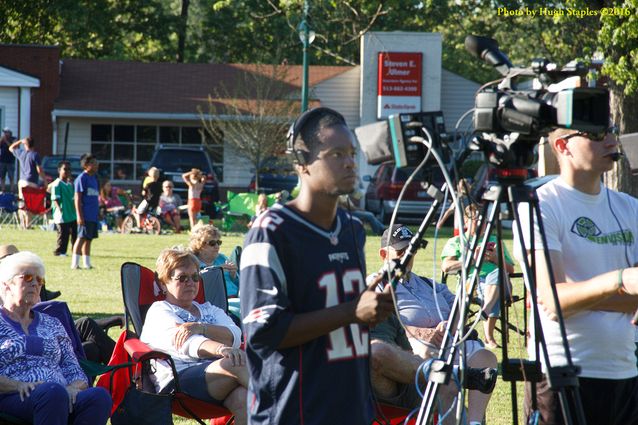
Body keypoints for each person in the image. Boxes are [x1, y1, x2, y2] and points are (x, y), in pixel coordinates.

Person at [240, 107, 394, 424]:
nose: (350, 162)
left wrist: (373, 305)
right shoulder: (271, 230)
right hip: (293, 410)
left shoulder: (351, 228)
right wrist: (352, 311)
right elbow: (264, 332)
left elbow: (343, 314)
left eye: (352, 153)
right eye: (336, 154)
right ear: (302, 163)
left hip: (350, 406)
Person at [515, 124, 638, 425]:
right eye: (596, 135)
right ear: (562, 147)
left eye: (610, 131)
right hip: (560, 378)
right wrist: (619, 281)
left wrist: (583, 295)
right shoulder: (540, 204)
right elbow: (553, 301)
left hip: (626, 373)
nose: (610, 140)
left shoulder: (630, 208)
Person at [370, 224, 497, 424]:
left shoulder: (427, 283)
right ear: (383, 254)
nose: (406, 257)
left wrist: (449, 324)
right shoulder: (376, 284)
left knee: (485, 357)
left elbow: (458, 306)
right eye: (401, 251)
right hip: (413, 347)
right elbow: (382, 324)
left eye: (411, 251)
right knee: (433, 359)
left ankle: (474, 422)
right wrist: (419, 332)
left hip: (449, 340)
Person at [0, 251, 112, 425]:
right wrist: (17, 385)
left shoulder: (52, 323)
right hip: (14, 396)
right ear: (6, 284)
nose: (36, 284)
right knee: (52, 393)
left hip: (60, 393)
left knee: (98, 396)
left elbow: (73, 367)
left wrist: (74, 387)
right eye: (28, 278)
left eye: (40, 280)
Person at [140, 248, 247, 424]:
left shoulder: (209, 309)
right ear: (163, 283)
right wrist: (221, 349)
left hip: (217, 378)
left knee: (243, 399)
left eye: (195, 277)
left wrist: (201, 327)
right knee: (236, 362)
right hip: (178, 382)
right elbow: (187, 344)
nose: (191, 282)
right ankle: (289, 408)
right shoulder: (160, 311)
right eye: (182, 278)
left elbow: (234, 335)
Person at [441, 204, 514, 349]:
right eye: (477, 220)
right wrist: (471, 260)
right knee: (495, 292)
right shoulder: (456, 242)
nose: (482, 224)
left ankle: (485, 311)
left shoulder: (495, 240)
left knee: (498, 274)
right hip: (473, 283)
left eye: (484, 221)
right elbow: (446, 266)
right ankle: (489, 337)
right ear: (466, 221)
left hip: (502, 282)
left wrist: (495, 258)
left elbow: (511, 269)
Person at [189, 223, 238, 298]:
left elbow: (238, 283)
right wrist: (216, 271)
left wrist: (233, 275)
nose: (217, 246)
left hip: (237, 296)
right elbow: (198, 285)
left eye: (218, 242)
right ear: (199, 245)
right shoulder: (193, 263)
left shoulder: (222, 258)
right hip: (217, 301)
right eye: (212, 243)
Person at [71, 154, 99, 270]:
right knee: (81, 237)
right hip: (85, 214)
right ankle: (74, 263)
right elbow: (77, 198)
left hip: (93, 215)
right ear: (86, 165)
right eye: (93, 163)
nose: (96, 165)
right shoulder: (81, 178)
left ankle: (86, 263)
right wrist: (79, 215)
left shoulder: (94, 178)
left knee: (89, 239)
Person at [50, 161, 77, 257]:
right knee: (63, 234)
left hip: (72, 213)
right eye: (65, 169)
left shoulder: (70, 184)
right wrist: (59, 209)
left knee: (74, 234)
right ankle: (60, 251)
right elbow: (55, 199)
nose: (67, 171)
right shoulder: (57, 184)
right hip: (62, 215)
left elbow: (73, 199)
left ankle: (76, 251)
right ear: (59, 170)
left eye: (69, 169)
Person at [0, 127, 16, 193]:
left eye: (6, 132)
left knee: (11, 176)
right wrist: (1, 140)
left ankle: (12, 190)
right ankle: (3, 189)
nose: (5, 134)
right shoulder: (2, 140)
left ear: (10, 133)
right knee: (2, 176)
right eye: (4, 132)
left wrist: (6, 141)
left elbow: (12, 147)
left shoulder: (14, 139)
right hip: (2, 160)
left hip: (10, 161)